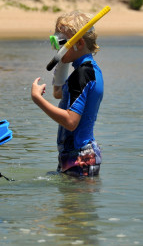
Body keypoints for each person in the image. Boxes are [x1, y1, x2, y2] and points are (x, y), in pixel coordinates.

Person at [31, 11, 104, 177]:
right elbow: (59, 93)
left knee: (75, 203)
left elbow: (71, 121)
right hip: (76, 154)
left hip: (80, 156)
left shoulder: (82, 74)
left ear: (78, 43)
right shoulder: (88, 69)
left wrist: (37, 99)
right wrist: (62, 60)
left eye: (61, 43)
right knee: (68, 203)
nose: (57, 48)